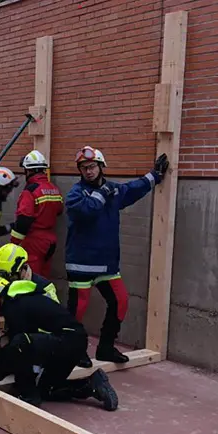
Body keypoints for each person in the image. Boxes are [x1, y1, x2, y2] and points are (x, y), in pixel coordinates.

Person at [64, 146, 169, 363]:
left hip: (107, 264)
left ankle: (106, 347)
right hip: (81, 264)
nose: (88, 171)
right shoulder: (76, 193)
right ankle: (72, 351)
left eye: (92, 166)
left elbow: (132, 189)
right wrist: (102, 193)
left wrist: (154, 176)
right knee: (77, 310)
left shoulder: (112, 190)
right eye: (84, 168)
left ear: (101, 166)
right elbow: (87, 210)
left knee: (120, 301)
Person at [0, 275, 118, 410]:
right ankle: (92, 384)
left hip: (66, 341)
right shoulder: (22, 299)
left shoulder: (14, 307)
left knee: (20, 344)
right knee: (48, 389)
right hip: (73, 343)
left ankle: (28, 396)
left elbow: (17, 348)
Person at [0, 243, 60, 360]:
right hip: (14, 333)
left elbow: (54, 323)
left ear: (22, 269)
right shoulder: (2, 285)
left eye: (7, 276)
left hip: (39, 337)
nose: (3, 281)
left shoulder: (44, 288)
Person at [11, 150, 63, 278]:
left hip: (34, 241)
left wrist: (13, 243)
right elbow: (59, 210)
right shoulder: (53, 188)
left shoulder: (30, 191)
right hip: (50, 240)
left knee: (31, 278)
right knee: (44, 277)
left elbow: (24, 219)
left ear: (28, 171)